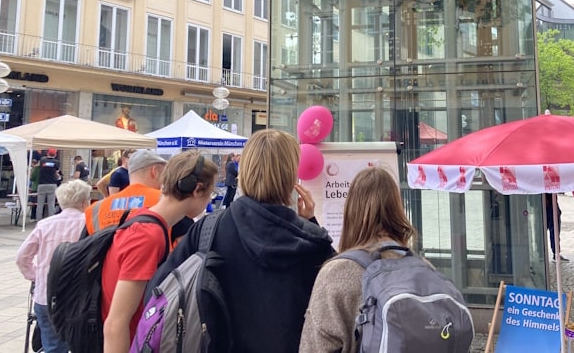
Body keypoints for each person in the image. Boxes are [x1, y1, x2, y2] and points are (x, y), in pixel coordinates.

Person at [151, 129, 334, 353]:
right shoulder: (312, 242)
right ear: (290, 176)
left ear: (244, 170)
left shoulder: (208, 230)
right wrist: (311, 224)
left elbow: (158, 295)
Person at [102, 150, 218, 352]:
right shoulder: (148, 235)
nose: (210, 201)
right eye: (211, 193)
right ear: (198, 190)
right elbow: (115, 324)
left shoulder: (145, 221)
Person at [299, 166, 416, 352]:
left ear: (351, 211)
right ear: (397, 209)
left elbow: (314, 346)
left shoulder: (336, 273)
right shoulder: (420, 267)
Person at [16, 180, 92, 353]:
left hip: (45, 296)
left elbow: (22, 257)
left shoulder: (45, 225)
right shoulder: (90, 224)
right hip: (79, 297)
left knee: (53, 346)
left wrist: (35, 275)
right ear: (83, 202)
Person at [83, 149, 166, 235]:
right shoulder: (165, 201)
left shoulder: (94, 210)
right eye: (163, 174)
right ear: (154, 171)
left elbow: (85, 244)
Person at [36, 149, 61, 221]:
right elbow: (57, 172)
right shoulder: (56, 162)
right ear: (55, 154)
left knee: (40, 204)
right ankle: (51, 220)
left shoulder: (42, 160)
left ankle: (38, 220)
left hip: (42, 184)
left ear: (47, 153)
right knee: (51, 204)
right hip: (52, 184)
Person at [545, 194, 568, 261]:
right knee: (554, 231)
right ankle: (555, 253)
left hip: (550, 204)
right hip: (549, 204)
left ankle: (555, 253)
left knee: (553, 231)